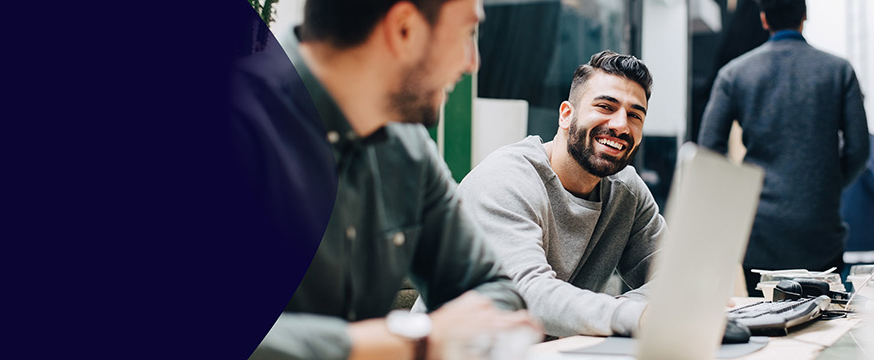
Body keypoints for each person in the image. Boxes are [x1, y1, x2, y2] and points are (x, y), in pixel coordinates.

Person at [230, 0, 541, 359]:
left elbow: (496, 292)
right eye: (467, 33)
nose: (472, 63)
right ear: (404, 29)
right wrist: (407, 340)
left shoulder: (409, 149)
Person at [416, 50, 662, 338]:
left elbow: (676, 278)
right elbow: (527, 296)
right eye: (606, 107)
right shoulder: (506, 179)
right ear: (566, 115)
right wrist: (633, 315)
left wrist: (634, 312)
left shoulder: (627, 192)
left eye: (634, 115)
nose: (621, 125)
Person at [697, 0, 869, 295]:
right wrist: (825, 185)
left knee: (765, 315)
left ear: (764, 19)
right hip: (820, 230)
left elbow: (709, 151)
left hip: (759, 232)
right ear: (805, 15)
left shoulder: (734, 73)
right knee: (822, 315)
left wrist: (741, 196)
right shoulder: (839, 71)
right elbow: (859, 150)